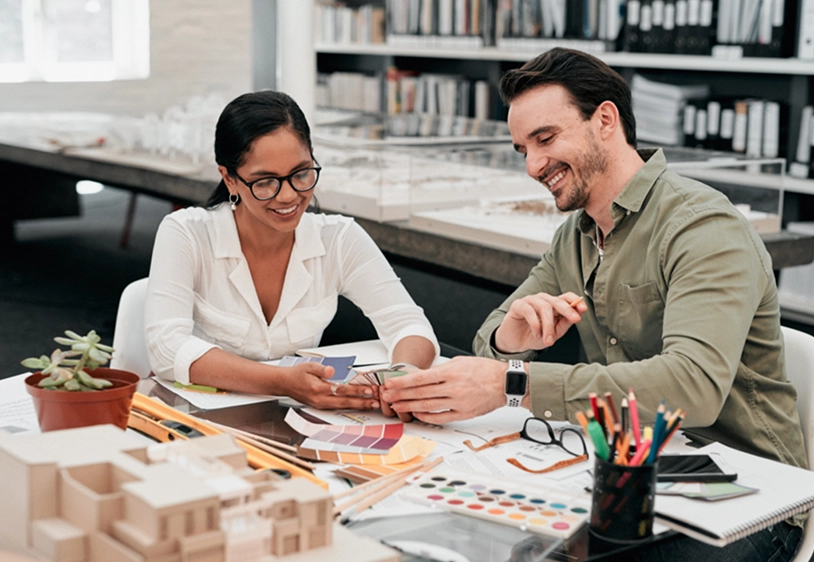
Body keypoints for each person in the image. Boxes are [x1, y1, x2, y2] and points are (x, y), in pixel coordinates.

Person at [380, 48, 805, 561]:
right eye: (522, 150)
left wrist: (513, 384)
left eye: (546, 139)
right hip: (632, 471)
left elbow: (692, 387)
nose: (534, 166)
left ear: (605, 120)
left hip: (744, 496)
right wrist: (509, 338)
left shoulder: (701, 227)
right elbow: (490, 339)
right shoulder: (577, 236)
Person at [145, 90, 438, 411]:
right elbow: (166, 349)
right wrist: (282, 382)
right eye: (266, 181)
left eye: (301, 174)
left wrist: (399, 383)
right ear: (229, 179)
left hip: (295, 416)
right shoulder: (186, 233)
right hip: (200, 414)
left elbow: (409, 324)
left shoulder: (339, 237)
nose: (288, 196)